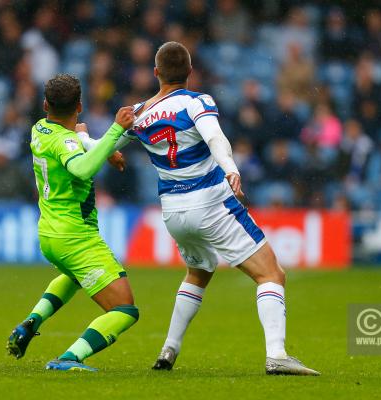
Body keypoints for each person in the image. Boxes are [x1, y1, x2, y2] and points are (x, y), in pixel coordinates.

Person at [77, 42, 319, 376]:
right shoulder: (197, 102)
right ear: (190, 72)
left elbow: (102, 147)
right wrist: (231, 168)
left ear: (155, 73)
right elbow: (215, 137)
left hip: (173, 212)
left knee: (199, 271)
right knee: (271, 274)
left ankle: (168, 350)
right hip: (210, 201)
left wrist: (83, 137)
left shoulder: (138, 112)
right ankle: (277, 355)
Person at [6, 74, 138, 372]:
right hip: (76, 237)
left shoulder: (39, 128)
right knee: (125, 309)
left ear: (45, 105)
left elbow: (73, 139)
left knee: (75, 276)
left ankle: (31, 322)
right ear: (79, 106)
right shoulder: (66, 143)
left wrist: (97, 146)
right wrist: (116, 130)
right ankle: (69, 358)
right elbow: (80, 168)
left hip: (49, 234)